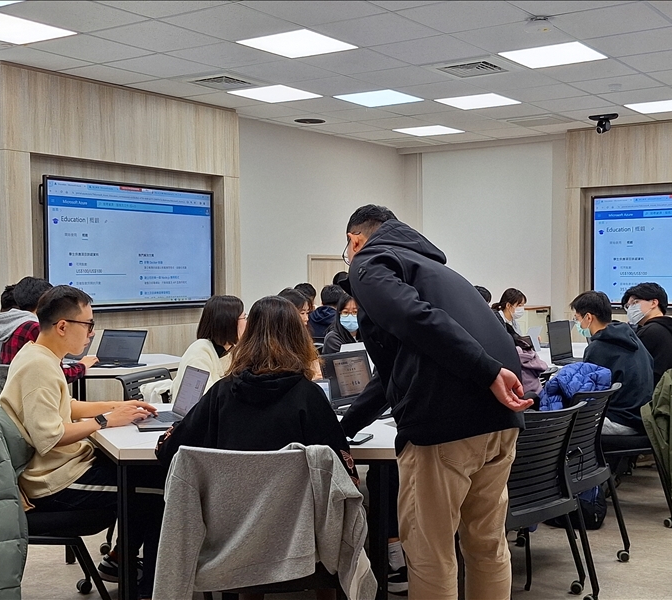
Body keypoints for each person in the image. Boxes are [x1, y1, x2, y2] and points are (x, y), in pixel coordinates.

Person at [338, 205, 531, 600]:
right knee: (487, 546)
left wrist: (486, 371)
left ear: (355, 240)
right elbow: (392, 372)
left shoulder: (368, 263)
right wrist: (344, 428)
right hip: (500, 422)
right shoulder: (441, 272)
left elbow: (414, 318)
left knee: (431, 555)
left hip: (444, 426)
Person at [0, 285, 163, 599]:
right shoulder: (38, 366)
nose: (91, 333)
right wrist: (104, 421)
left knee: (148, 475)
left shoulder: (38, 354)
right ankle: (148, 585)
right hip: (55, 481)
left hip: (65, 467)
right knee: (155, 490)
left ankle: (120, 561)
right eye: (88, 324)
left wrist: (117, 406)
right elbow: (51, 437)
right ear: (62, 326)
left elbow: (68, 407)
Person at [155, 295, 358, 487]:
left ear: (249, 337)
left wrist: (175, 427)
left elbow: (169, 451)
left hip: (228, 510)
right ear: (299, 338)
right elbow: (342, 471)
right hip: (295, 510)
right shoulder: (309, 396)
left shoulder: (222, 393)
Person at [571, 291, 654, 435]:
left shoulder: (598, 348)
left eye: (577, 318)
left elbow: (587, 394)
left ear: (588, 317)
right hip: (643, 417)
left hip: (621, 421)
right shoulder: (630, 337)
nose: (577, 323)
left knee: (563, 424)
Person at [0, 277, 97, 382]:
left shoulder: (12, 323)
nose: (91, 332)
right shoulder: (33, 328)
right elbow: (57, 375)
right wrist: (82, 366)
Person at [171, 295, 246, 400]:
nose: (247, 323)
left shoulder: (233, 351)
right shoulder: (199, 352)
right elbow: (202, 399)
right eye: (244, 318)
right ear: (229, 322)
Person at [621, 282, 672, 387]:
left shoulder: (651, 332)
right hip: (667, 389)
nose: (631, 309)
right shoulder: (671, 327)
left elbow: (629, 367)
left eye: (635, 302)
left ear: (654, 303)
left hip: (652, 390)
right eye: (628, 306)